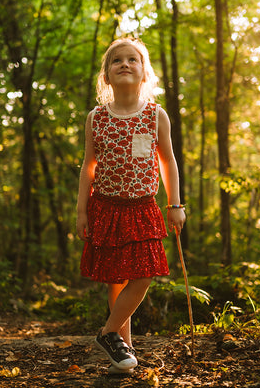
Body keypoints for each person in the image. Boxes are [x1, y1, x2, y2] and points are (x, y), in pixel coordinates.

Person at [76, 37, 186, 373]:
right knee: (116, 279)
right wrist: (81, 211)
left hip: (143, 208)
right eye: (117, 61)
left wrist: (175, 204)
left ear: (144, 73)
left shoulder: (155, 115)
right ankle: (121, 351)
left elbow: (168, 161)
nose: (125, 64)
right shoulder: (97, 118)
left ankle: (107, 333)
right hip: (106, 208)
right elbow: (88, 166)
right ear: (106, 76)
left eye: (132, 60)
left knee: (145, 273)